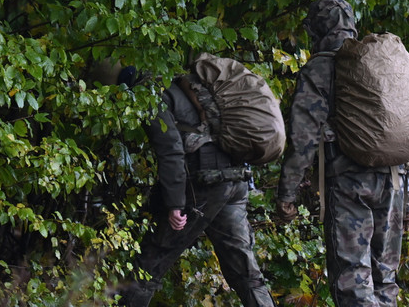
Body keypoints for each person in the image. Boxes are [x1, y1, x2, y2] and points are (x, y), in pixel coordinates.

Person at [89, 58, 275, 307]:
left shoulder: (149, 96)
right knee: (245, 271)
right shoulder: (178, 82)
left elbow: (171, 151)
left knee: (150, 263)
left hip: (205, 182)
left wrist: (175, 204)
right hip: (234, 178)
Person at [275, 0, 409, 307]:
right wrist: (408, 202)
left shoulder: (320, 68)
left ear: (316, 30)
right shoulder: (382, 65)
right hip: (394, 182)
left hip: (349, 184)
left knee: (353, 281)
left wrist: (287, 193)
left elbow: (303, 138)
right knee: (385, 281)